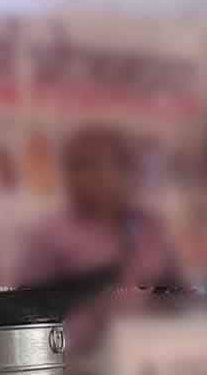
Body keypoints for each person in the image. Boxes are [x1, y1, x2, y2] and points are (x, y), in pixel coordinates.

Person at [17, 124, 182, 345]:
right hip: (78, 362)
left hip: (149, 353)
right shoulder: (52, 236)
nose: (81, 177)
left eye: (92, 166)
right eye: (75, 167)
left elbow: (175, 293)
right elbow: (27, 311)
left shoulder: (150, 229)